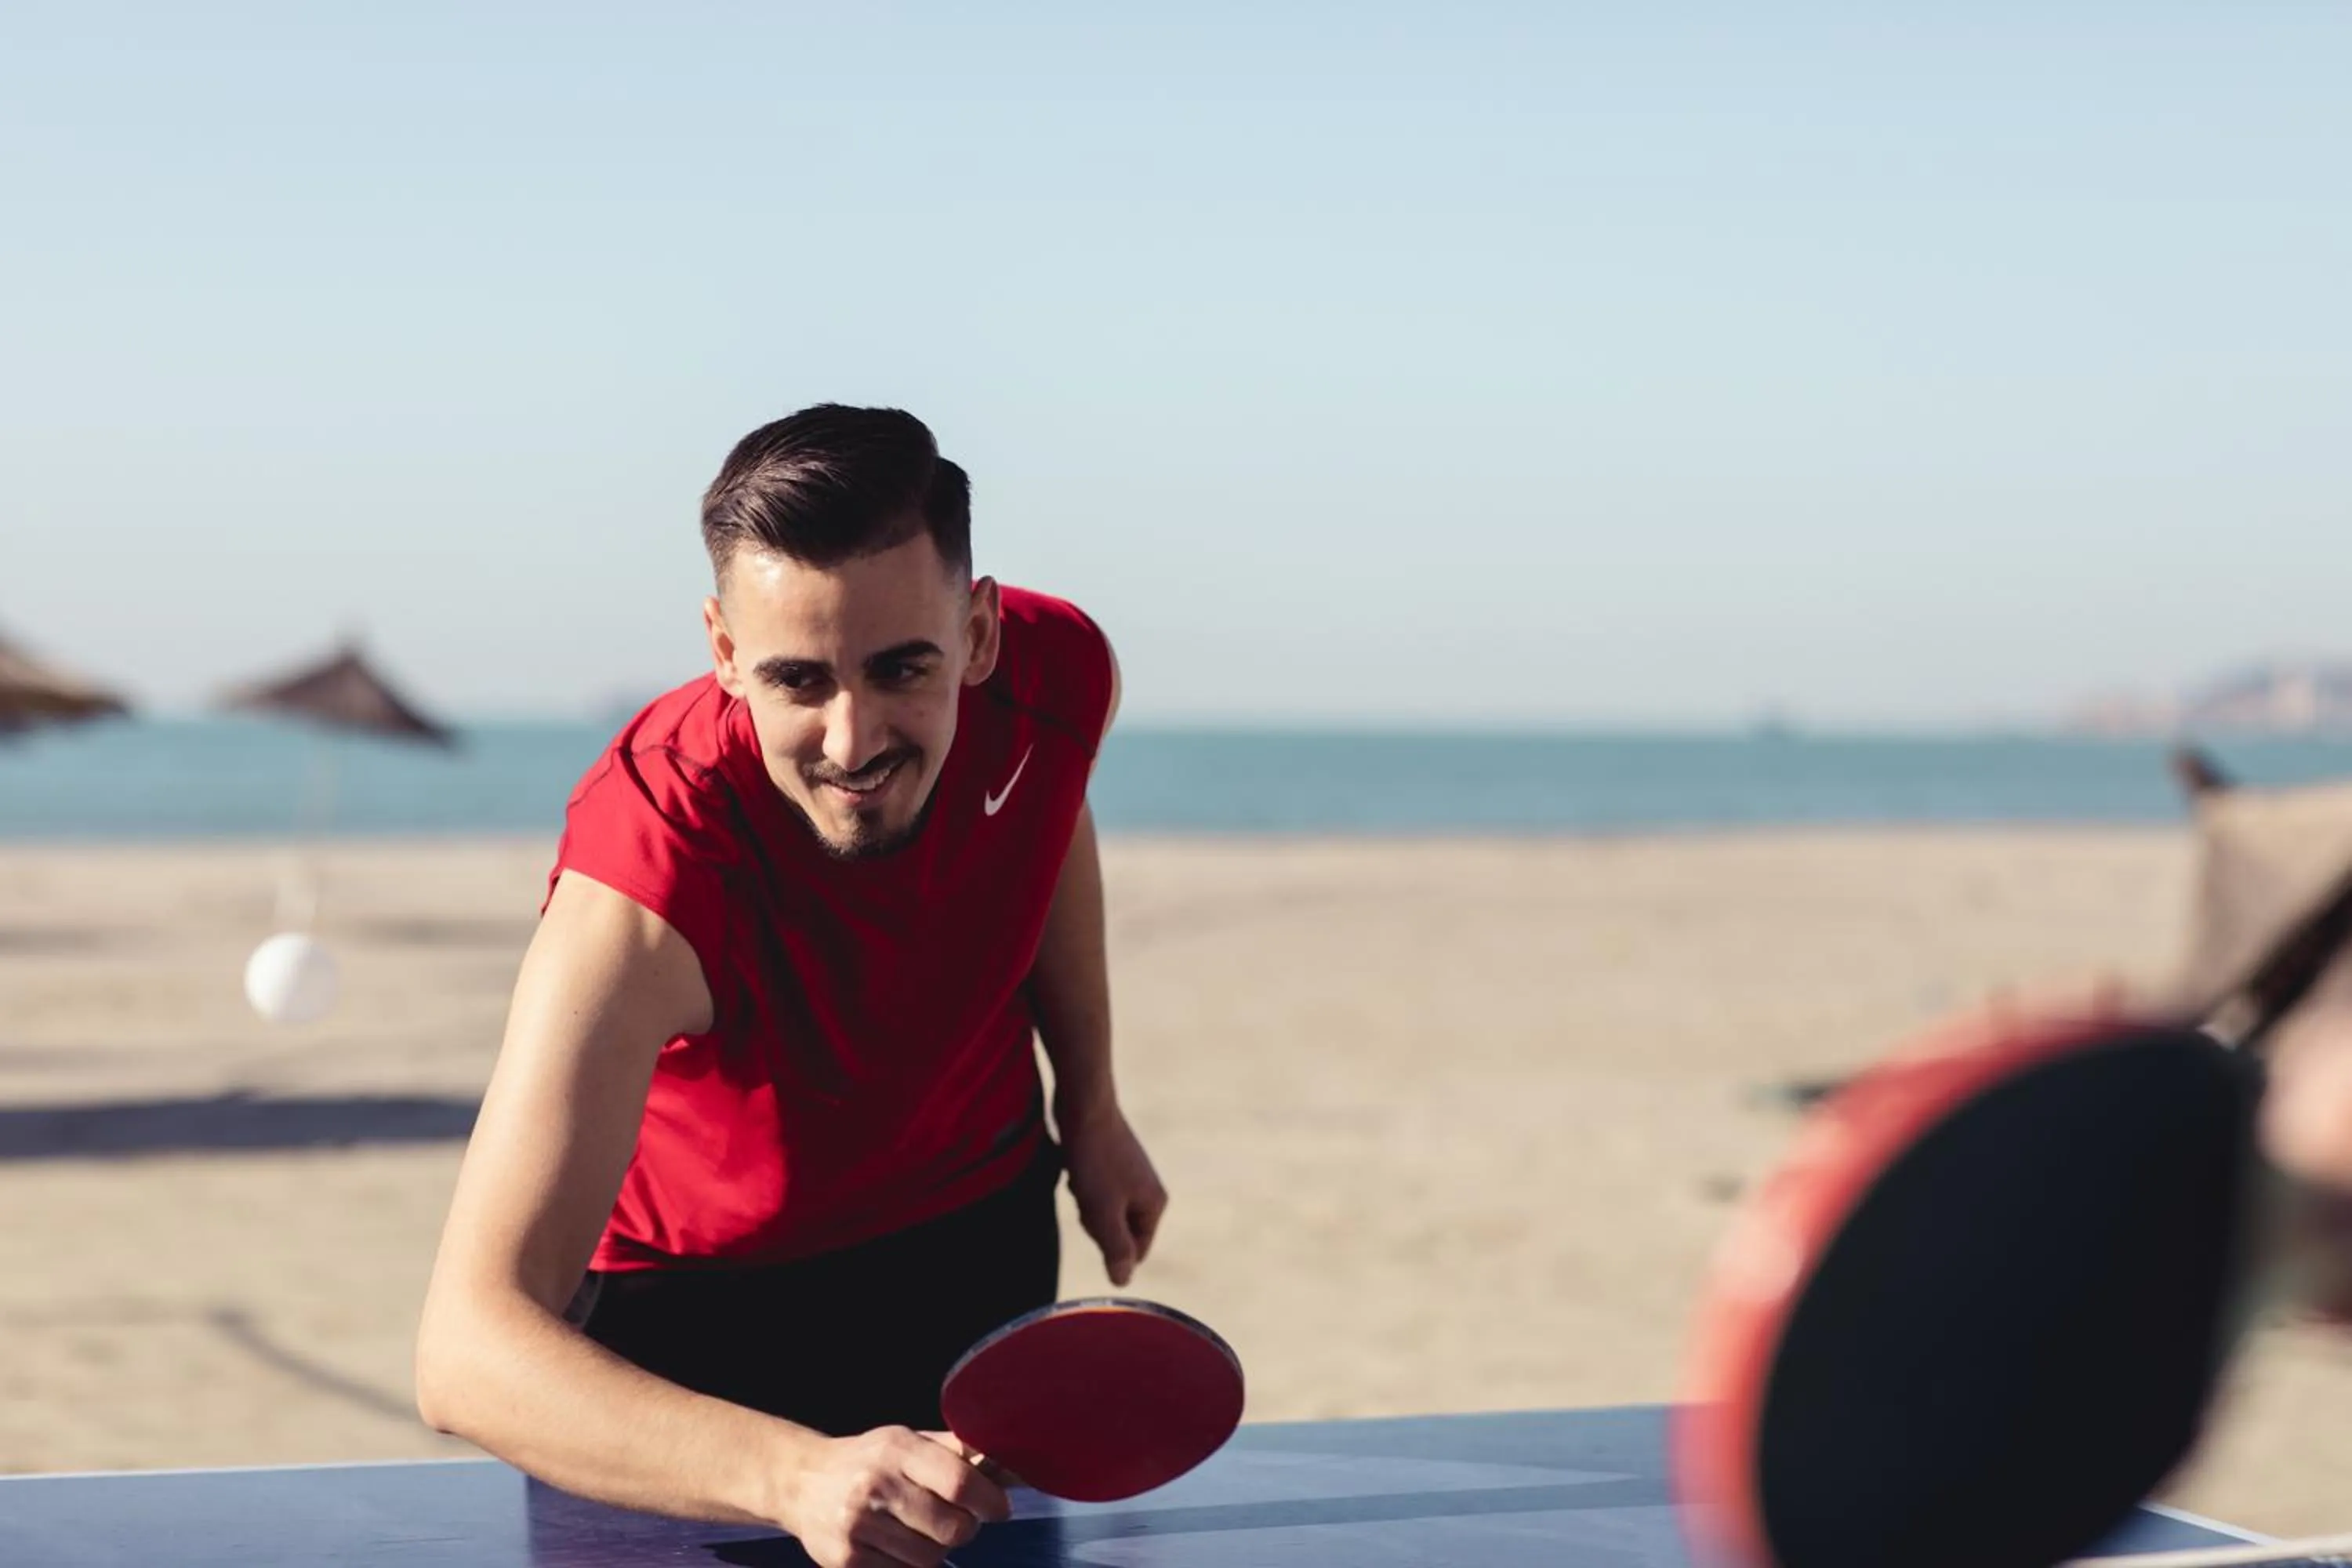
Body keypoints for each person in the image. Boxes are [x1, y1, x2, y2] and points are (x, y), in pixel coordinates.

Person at [415, 404, 1167, 1568]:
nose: (852, 737)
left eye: (901, 668)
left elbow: (1041, 816)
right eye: (797, 679)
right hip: (700, 1320)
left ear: (977, 634)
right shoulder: (647, 876)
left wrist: (1093, 1102)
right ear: (723, 651)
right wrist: (797, 1473)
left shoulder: (1058, 671)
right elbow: (465, 1352)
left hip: (974, 1238)